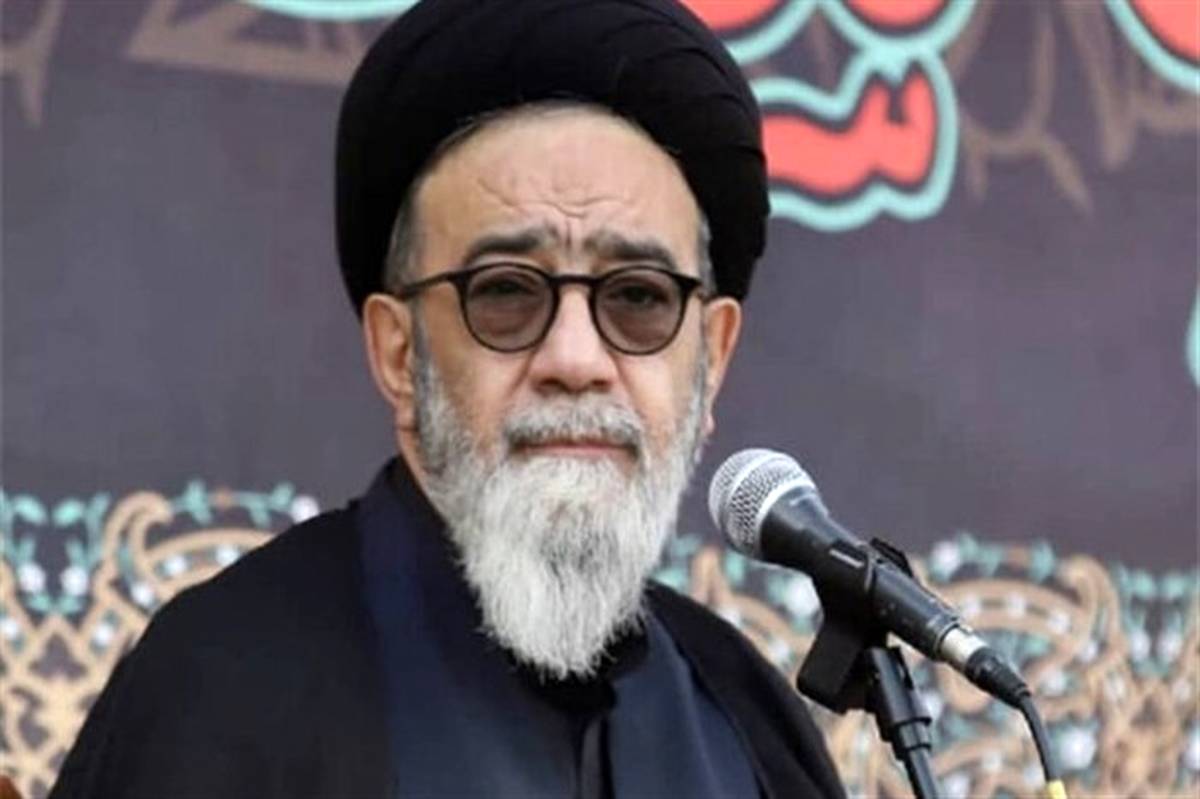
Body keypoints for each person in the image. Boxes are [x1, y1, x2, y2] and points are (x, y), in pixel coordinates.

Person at [51, 1, 845, 797]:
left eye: (638, 297)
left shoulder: (748, 721)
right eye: (506, 292)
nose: (576, 360)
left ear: (710, 358)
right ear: (400, 353)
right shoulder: (221, 683)